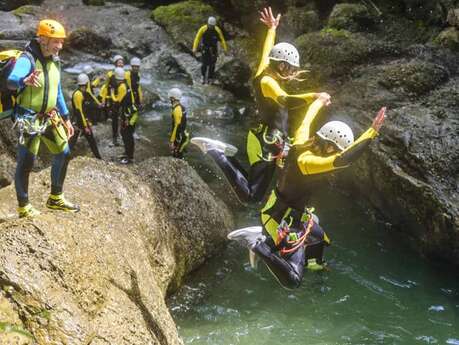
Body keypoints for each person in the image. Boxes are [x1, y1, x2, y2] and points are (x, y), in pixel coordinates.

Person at [232, 98, 387, 289]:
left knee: (320, 237)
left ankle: (312, 264)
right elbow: (343, 160)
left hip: (293, 212)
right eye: (336, 149)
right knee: (293, 280)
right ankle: (257, 244)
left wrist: (319, 101)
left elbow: (306, 120)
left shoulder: (303, 141)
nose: (335, 153)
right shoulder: (308, 163)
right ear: (328, 146)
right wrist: (371, 132)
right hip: (280, 219)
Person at [192, 7, 327, 204]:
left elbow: (267, 48)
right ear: (281, 65)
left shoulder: (267, 68)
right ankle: (217, 153)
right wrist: (315, 96)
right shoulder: (267, 82)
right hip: (266, 142)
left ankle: (274, 224)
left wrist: (272, 29)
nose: (292, 73)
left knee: (263, 187)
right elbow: (285, 100)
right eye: (290, 68)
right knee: (251, 195)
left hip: (270, 139)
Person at [7, 19, 79, 218]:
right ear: (43, 39)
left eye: (61, 42)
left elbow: (57, 93)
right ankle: (24, 206)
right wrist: (25, 80)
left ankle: (56, 198)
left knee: (63, 152)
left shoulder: (55, 60)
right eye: (55, 41)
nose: (59, 46)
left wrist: (66, 118)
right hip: (29, 118)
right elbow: (11, 82)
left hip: (50, 116)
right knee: (27, 162)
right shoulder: (27, 59)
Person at [69, 73, 102, 159]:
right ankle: (64, 156)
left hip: (83, 120)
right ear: (86, 83)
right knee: (72, 141)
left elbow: (93, 85)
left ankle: (98, 157)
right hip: (78, 121)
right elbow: (79, 112)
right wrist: (85, 126)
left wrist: (99, 78)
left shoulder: (84, 91)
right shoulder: (78, 94)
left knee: (91, 140)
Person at [110, 67, 137, 164]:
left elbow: (117, 102)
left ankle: (129, 157)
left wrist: (112, 94)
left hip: (128, 115)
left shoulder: (121, 87)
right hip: (130, 112)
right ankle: (128, 153)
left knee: (126, 135)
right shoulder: (126, 84)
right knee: (127, 134)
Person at [192, 16, 228, 84]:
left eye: (213, 26)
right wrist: (194, 48)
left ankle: (210, 78)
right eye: (210, 25)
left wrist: (225, 49)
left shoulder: (217, 30)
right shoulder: (203, 29)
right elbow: (197, 38)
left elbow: (222, 40)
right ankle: (203, 77)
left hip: (214, 49)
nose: (211, 27)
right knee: (204, 64)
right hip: (205, 48)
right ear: (208, 24)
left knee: (212, 64)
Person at [100, 55, 125, 145]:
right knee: (114, 118)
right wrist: (103, 99)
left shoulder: (124, 74)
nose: (121, 64)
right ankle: (115, 137)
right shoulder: (110, 74)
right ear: (115, 64)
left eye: (122, 62)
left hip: (123, 99)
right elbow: (106, 87)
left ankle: (123, 134)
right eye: (119, 62)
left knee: (124, 117)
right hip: (113, 99)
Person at [168, 87, 190, 158]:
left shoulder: (176, 110)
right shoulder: (181, 107)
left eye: (170, 98)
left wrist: (172, 140)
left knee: (177, 155)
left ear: (173, 98)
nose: (169, 100)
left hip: (180, 137)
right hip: (182, 135)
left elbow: (177, 126)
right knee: (178, 153)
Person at [126, 57, 143, 140]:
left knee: (135, 116)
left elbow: (138, 87)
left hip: (135, 97)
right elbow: (128, 88)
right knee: (128, 115)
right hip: (128, 98)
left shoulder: (138, 75)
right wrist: (132, 101)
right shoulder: (127, 74)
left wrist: (140, 99)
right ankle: (128, 132)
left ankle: (132, 131)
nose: (136, 68)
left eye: (137, 66)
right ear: (131, 66)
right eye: (134, 66)